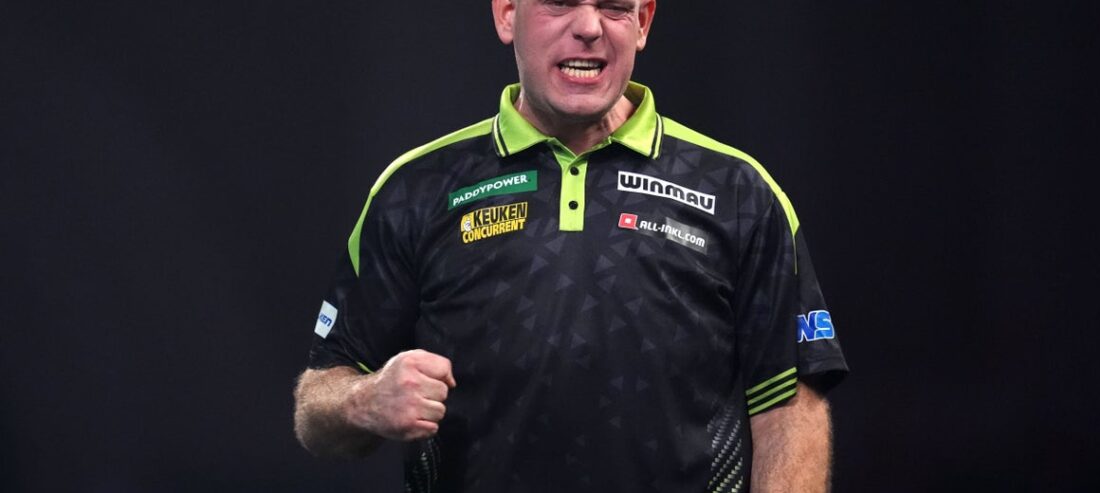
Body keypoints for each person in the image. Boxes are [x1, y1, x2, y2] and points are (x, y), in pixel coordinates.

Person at [293, 1, 848, 491]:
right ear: (506, 14)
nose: (589, 27)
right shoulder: (416, 190)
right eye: (559, 2)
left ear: (643, 22)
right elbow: (315, 406)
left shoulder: (739, 192)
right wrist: (366, 400)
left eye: (614, 7)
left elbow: (789, 406)